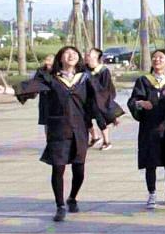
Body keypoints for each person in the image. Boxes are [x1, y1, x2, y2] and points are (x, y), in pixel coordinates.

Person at [16, 46, 107, 222]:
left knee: (79, 169)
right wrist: (9, 91)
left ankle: (72, 197)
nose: (71, 55)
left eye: (74, 53)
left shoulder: (85, 79)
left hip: (79, 129)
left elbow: (98, 101)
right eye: (67, 53)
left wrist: (108, 119)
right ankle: (60, 206)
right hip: (59, 129)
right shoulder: (52, 79)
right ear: (60, 58)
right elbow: (31, 87)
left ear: (78, 58)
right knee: (58, 167)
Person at [128, 49, 165, 209]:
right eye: (154, 57)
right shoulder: (143, 81)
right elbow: (133, 100)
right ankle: (152, 193)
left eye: (161, 58)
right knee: (150, 162)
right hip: (150, 127)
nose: (157, 60)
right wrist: (140, 103)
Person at [85, 47, 122, 150]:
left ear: (96, 57)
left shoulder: (103, 71)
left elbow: (107, 88)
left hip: (99, 99)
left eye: (89, 55)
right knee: (85, 119)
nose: (86, 56)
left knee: (100, 120)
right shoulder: (84, 69)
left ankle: (107, 141)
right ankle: (95, 137)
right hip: (86, 99)